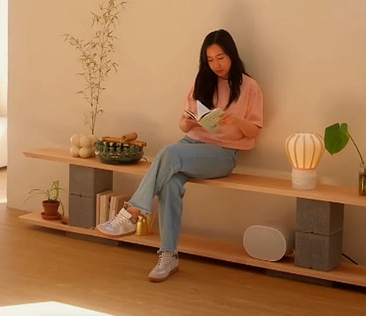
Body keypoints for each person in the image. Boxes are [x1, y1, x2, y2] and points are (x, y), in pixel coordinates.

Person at [96, 28, 264, 282]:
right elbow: (183, 126)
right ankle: (168, 256)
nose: (216, 65)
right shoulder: (202, 81)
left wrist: (235, 119)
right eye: (210, 60)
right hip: (191, 145)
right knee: (170, 184)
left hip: (223, 154)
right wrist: (191, 121)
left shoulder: (250, 87)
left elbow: (254, 130)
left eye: (220, 58)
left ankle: (131, 213)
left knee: (168, 153)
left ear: (232, 55)